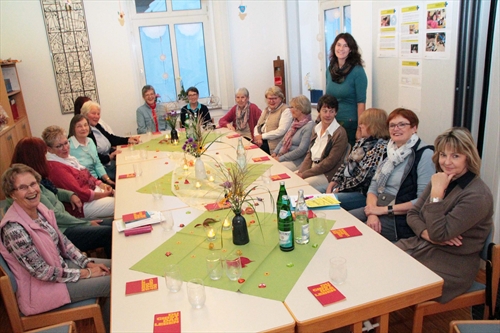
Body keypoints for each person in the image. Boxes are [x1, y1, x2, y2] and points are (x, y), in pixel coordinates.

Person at [0, 164, 110, 328]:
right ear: (12, 194)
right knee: (112, 283)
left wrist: (86, 262)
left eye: (33, 184)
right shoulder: (14, 229)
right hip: (42, 289)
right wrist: (86, 273)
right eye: (23, 187)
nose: (31, 191)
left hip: (60, 269)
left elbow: (63, 240)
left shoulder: (39, 208)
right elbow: (42, 272)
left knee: (119, 268)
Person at [396, 127, 493, 303]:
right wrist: (427, 235)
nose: (447, 162)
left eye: (455, 156)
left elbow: (439, 233)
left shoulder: (477, 195)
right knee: (375, 263)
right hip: (422, 246)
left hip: (450, 266)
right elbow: (412, 214)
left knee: (387, 278)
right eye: (443, 155)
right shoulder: (441, 178)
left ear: (468, 158)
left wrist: (436, 195)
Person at [10, 137, 113, 258]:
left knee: (111, 223)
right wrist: (86, 223)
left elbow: (54, 191)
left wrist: (70, 195)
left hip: (67, 223)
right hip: (62, 231)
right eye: (43, 154)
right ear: (35, 157)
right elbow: (56, 216)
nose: (46, 157)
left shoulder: (37, 178)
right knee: (108, 233)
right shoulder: (31, 188)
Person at [348, 108, 435, 242]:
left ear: (414, 128)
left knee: (357, 235)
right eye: (392, 125)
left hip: (401, 219)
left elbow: (422, 201)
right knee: (342, 220)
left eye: (402, 124)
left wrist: (381, 211)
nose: (396, 129)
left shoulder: (424, 154)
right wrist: (372, 212)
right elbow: (373, 187)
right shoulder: (389, 151)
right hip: (379, 207)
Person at [42, 125, 115, 219]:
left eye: (66, 143)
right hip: (83, 206)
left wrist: (102, 185)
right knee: (120, 204)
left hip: (94, 194)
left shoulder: (68, 159)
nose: (65, 148)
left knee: (122, 195)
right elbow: (80, 194)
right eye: (59, 146)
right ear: (49, 149)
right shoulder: (55, 168)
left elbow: (88, 175)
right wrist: (105, 194)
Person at [326, 108, 390, 210]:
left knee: (326, 202)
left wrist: (339, 189)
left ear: (374, 125)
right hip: (344, 186)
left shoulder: (381, 148)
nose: (360, 126)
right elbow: (345, 164)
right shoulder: (362, 141)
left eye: (363, 123)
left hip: (361, 193)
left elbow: (363, 180)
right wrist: (333, 182)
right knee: (314, 192)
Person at [297, 95, 349, 192]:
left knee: (300, 186)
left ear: (336, 113)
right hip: (313, 168)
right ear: (319, 112)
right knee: (292, 179)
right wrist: (301, 172)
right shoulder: (316, 128)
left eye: (331, 111)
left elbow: (329, 162)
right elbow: (310, 154)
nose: (328, 115)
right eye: (325, 111)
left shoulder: (340, 133)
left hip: (327, 174)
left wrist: (304, 175)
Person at [325, 33, 368, 147]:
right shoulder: (330, 70)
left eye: (345, 46)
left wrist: (360, 128)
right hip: (332, 121)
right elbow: (328, 98)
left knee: (345, 160)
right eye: (339, 45)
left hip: (349, 124)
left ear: (351, 50)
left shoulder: (357, 71)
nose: (341, 49)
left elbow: (361, 103)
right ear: (334, 47)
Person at [81, 101, 140, 181]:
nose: (96, 116)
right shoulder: (85, 132)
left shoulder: (97, 126)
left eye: (98, 114)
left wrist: (128, 139)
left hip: (109, 161)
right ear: (85, 114)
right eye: (93, 113)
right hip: (103, 167)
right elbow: (93, 155)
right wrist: (109, 157)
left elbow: (110, 138)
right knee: (130, 173)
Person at [68, 114, 114, 187]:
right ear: (73, 129)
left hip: (97, 179)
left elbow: (97, 163)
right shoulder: (69, 146)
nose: (83, 128)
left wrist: (108, 180)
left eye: (85, 125)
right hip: (84, 184)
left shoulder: (90, 141)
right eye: (79, 126)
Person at [271, 95, 314, 171]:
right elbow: (283, 141)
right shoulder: (295, 123)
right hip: (284, 156)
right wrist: (274, 152)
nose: (290, 110)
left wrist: (280, 158)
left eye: (292, 107)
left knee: (275, 169)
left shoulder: (309, 126)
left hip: (297, 161)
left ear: (300, 109)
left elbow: (301, 150)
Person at [253, 86, 293, 155]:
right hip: (262, 141)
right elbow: (257, 126)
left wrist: (262, 136)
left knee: (254, 154)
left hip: (275, 145)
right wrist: (258, 137)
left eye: (275, 98)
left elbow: (281, 131)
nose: (271, 101)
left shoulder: (286, 110)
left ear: (280, 98)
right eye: (269, 98)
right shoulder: (266, 110)